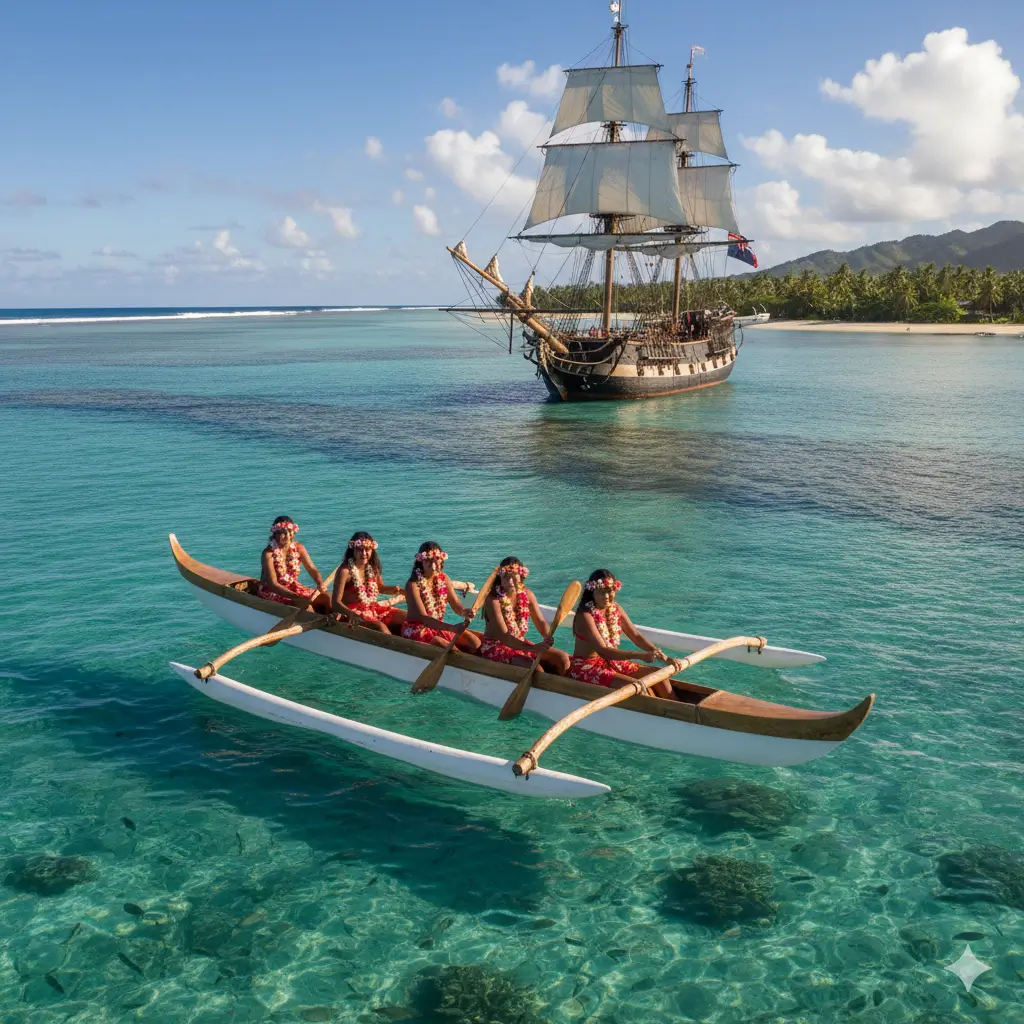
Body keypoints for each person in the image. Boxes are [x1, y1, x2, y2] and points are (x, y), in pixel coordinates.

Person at [568, 569, 678, 700]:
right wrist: (641, 656)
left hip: (612, 662)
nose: (607, 596)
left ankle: (680, 710)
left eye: (609, 591)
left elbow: (635, 636)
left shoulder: (615, 608)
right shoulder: (585, 616)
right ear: (593, 592)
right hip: (586, 667)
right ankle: (663, 712)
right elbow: (603, 651)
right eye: (602, 592)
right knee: (636, 687)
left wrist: (664, 657)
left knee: (658, 675)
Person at [478, 557, 571, 674]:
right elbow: (504, 637)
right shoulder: (493, 601)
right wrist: (533, 648)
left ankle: (563, 688)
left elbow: (541, 622)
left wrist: (547, 636)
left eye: (514, 576)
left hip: (521, 644)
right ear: (500, 577)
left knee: (562, 658)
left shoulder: (527, 594)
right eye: (506, 577)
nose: (511, 582)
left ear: (521, 576)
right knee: (535, 669)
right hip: (496, 647)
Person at [401, 541, 481, 653]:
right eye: (428, 559)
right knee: (444, 645)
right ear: (421, 561)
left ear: (441, 560)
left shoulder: (444, 579)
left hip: (437, 627)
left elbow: (455, 604)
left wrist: (464, 612)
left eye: (436, 559)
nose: (432, 563)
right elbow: (424, 618)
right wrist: (452, 628)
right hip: (418, 630)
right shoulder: (413, 585)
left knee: (475, 642)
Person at [331, 531, 406, 634]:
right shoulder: (345, 571)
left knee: (406, 616)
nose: (364, 554)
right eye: (359, 550)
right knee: (381, 627)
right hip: (352, 614)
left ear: (372, 550)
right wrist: (351, 614)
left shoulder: (372, 567)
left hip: (373, 608)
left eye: (367, 550)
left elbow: (380, 587)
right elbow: (335, 603)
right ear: (352, 549)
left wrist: (398, 590)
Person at [256, 516, 331, 612]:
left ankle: (332, 621)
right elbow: (273, 584)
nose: (287, 535)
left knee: (326, 598)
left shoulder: (299, 548)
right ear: (275, 534)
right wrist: (297, 598)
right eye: (283, 532)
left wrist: (319, 583)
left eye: (289, 531)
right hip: (273, 591)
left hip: (293, 587)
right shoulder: (268, 554)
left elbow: (312, 569)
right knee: (307, 607)